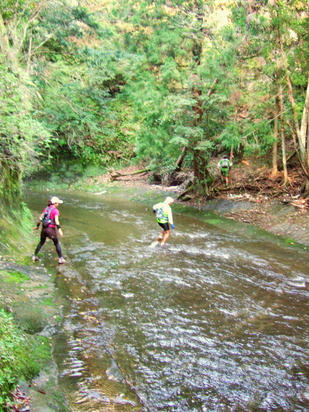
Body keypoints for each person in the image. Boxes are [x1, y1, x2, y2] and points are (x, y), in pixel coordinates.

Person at [32, 196, 66, 264]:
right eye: (58, 203)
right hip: (50, 230)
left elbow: (40, 218)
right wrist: (59, 229)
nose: (58, 204)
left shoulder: (46, 209)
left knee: (41, 242)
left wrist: (37, 226)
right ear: (55, 203)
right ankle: (61, 258)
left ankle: (34, 256)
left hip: (44, 229)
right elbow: (56, 221)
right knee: (56, 243)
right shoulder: (55, 211)